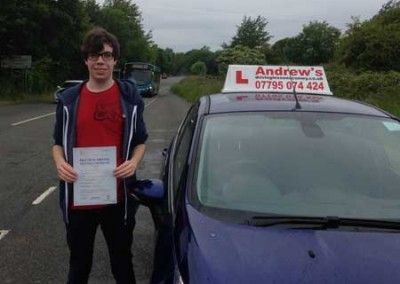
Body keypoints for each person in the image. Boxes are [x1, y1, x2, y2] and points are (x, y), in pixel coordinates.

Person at [52, 27, 148, 284]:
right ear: (86, 60)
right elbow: (56, 143)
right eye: (94, 56)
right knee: (79, 263)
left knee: (122, 261)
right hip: (79, 199)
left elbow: (140, 142)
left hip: (118, 198)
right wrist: (60, 163)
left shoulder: (130, 98)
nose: (100, 61)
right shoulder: (69, 100)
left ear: (115, 59)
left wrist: (133, 163)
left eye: (106, 55)